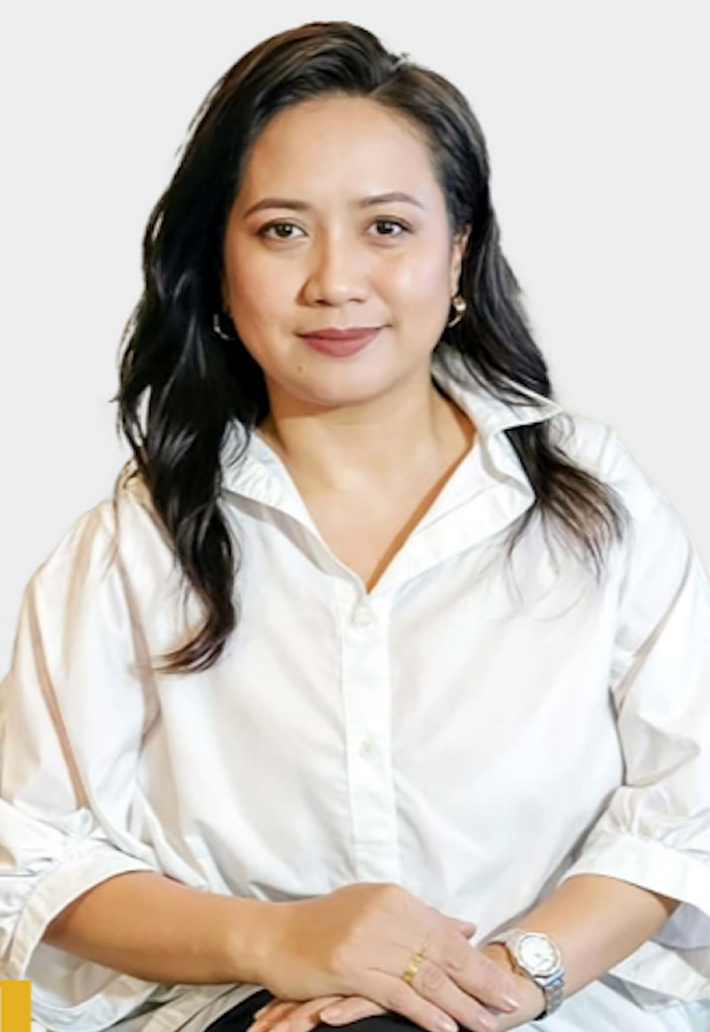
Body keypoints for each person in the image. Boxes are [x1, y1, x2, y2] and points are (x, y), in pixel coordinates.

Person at [0, 19, 708, 1032]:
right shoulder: (136, 539)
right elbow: (24, 853)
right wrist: (278, 942)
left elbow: (687, 815)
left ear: (458, 255)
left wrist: (494, 983)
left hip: (550, 1008)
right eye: (281, 229)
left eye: (386, 227)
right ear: (220, 267)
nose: (333, 281)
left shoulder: (593, 501)